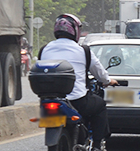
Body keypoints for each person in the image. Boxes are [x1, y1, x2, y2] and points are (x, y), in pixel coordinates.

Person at [40, 14, 118, 151]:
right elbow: (100, 74)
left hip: (48, 100)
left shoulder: (44, 49)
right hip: (77, 100)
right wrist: (109, 81)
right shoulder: (83, 50)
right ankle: (98, 145)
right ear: (75, 31)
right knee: (100, 105)